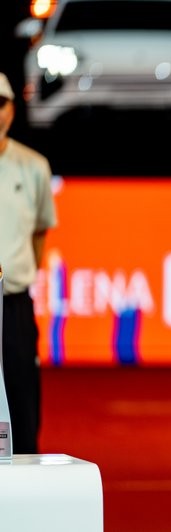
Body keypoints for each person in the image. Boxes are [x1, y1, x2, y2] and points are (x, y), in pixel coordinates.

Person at [0, 71, 57, 454]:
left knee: (22, 409)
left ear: (12, 109)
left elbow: (40, 231)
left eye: (0, 104)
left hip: (13, 302)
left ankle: (25, 503)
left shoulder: (34, 165)